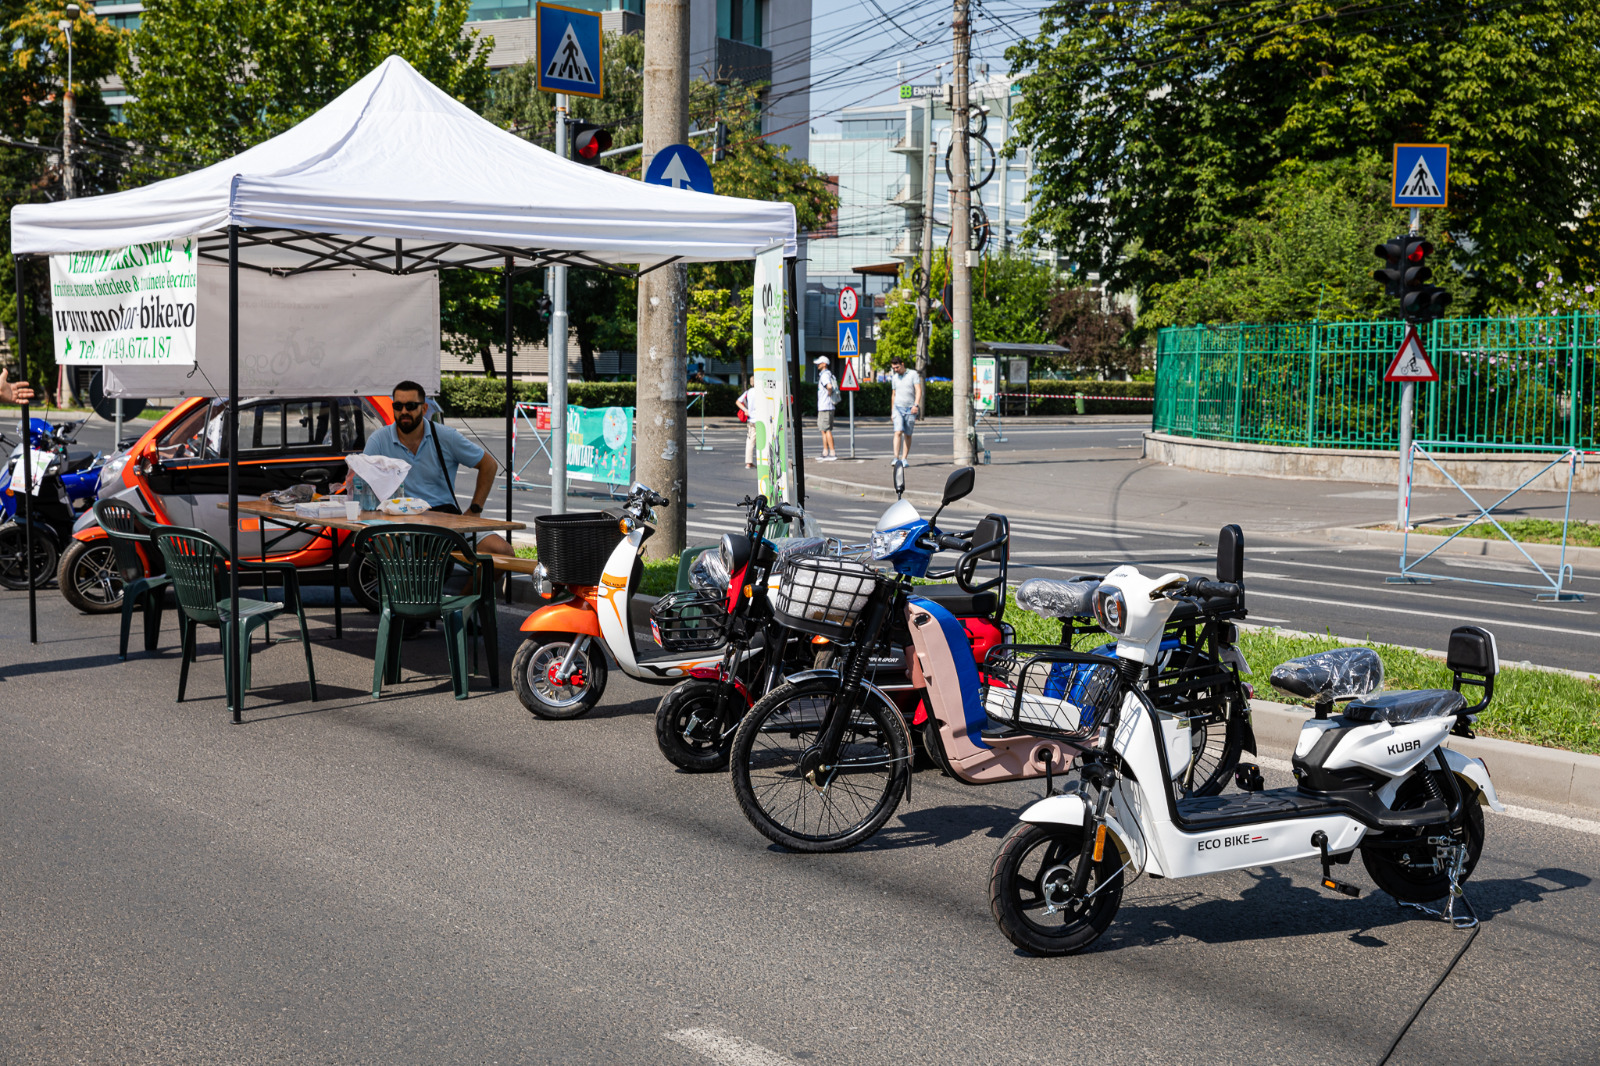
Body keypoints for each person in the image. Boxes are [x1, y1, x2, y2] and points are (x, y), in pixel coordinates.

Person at [364, 380, 512, 556]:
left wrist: (475, 510)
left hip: (446, 523)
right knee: (388, 548)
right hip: (400, 526)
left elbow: (489, 465)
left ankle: (461, 577)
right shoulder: (379, 440)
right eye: (398, 406)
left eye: (410, 406)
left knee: (503, 552)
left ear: (424, 408)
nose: (404, 412)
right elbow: (362, 481)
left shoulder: (446, 436)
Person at [887, 355, 922, 468]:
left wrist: (916, 405)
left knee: (907, 434)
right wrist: (892, 411)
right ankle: (896, 458)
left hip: (910, 408)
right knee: (897, 432)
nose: (896, 370)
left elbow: (918, 390)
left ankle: (904, 458)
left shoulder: (913, 374)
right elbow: (893, 394)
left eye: (897, 367)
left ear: (902, 364)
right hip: (898, 408)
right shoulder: (895, 378)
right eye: (893, 368)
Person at [813, 355, 838, 461]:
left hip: (825, 406)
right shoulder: (829, 374)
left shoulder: (824, 375)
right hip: (828, 406)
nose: (817, 365)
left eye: (819, 363)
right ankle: (825, 452)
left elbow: (829, 386)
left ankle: (831, 452)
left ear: (824, 364)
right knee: (824, 429)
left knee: (826, 430)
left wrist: (829, 393)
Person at [736, 375, 757, 468]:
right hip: (761, 420)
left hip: (751, 419)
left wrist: (745, 410)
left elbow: (738, 401)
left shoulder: (748, 392)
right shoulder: (763, 392)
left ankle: (748, 462)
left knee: (750, 441)